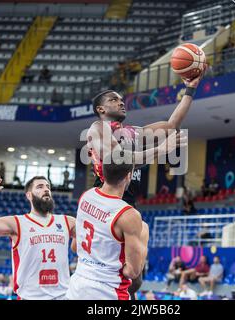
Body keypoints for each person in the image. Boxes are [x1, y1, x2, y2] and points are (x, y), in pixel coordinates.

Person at [86, 71, 204, 297]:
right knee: (105, 269)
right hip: (105, 198)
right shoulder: (97, 128)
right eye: (113, 100)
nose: (120, 102)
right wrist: (159, 150)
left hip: (128, 201)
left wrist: (190, 89)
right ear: (101, 109)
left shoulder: (135, 133)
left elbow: (172, 124)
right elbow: (116, 159)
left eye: (121, 99)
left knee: (135, 278)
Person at [0, 174, 76, 300]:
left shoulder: (67, 221)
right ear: (29, 195)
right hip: (30, 297)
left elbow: (84, 244)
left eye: (48, 187)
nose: (46, 189)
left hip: (63, 297)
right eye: (40, 187)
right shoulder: (17, 223)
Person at [66, 153, 149, 300]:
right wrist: (144, 237)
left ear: (103, 172)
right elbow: (132, 272)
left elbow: (75, 247)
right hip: (107, 293)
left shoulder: (86, 196)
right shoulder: (128, 215)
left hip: (76, 287)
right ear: (129, 176)